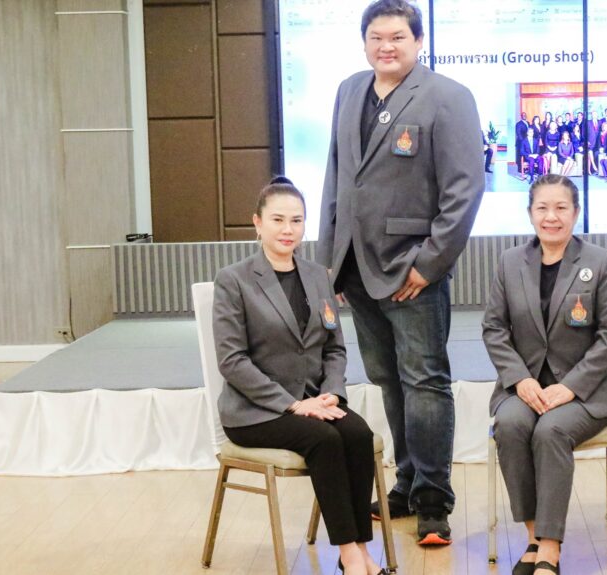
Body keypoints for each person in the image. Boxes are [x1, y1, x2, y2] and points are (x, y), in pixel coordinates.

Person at [316, 0, 485, 546]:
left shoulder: (448, 96)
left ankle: (433, 500)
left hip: (413, 269)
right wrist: (329, 263)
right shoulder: (349, 90)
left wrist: (430, 263)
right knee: (388, 380)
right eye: (376, 37)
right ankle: (407, 481)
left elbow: (464, 190)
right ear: (365, 42)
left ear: (418, 42)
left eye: (397, 37)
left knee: (425, 382)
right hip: (356, 269)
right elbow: (337, 178)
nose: (386, 46)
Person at [213, 178, 385, 575]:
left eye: (296, 220)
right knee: (325, 439)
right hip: (256, 411)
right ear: (257, 223)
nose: (287, 229)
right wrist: (293, 404)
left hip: (314, 401)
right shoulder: (234, 280)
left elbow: (334, 348)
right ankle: (350, 557)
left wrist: (332, 393)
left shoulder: (318, 275)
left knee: (357, 434)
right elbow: (232, 361)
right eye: (277, 220)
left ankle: (360, 550)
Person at [482, 174, 607, 575]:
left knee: (551, 431)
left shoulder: (600, 261)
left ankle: (550, 548)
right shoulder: (510, 262)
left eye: (561, 207)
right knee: (511, 425)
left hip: (586, 392)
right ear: (530, 213)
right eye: (542, 208)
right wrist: (520, 379)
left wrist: (571, 387)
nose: (552, 217)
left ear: (575, 213)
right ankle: (533, 536)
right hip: (525, 387)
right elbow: (494, 328)